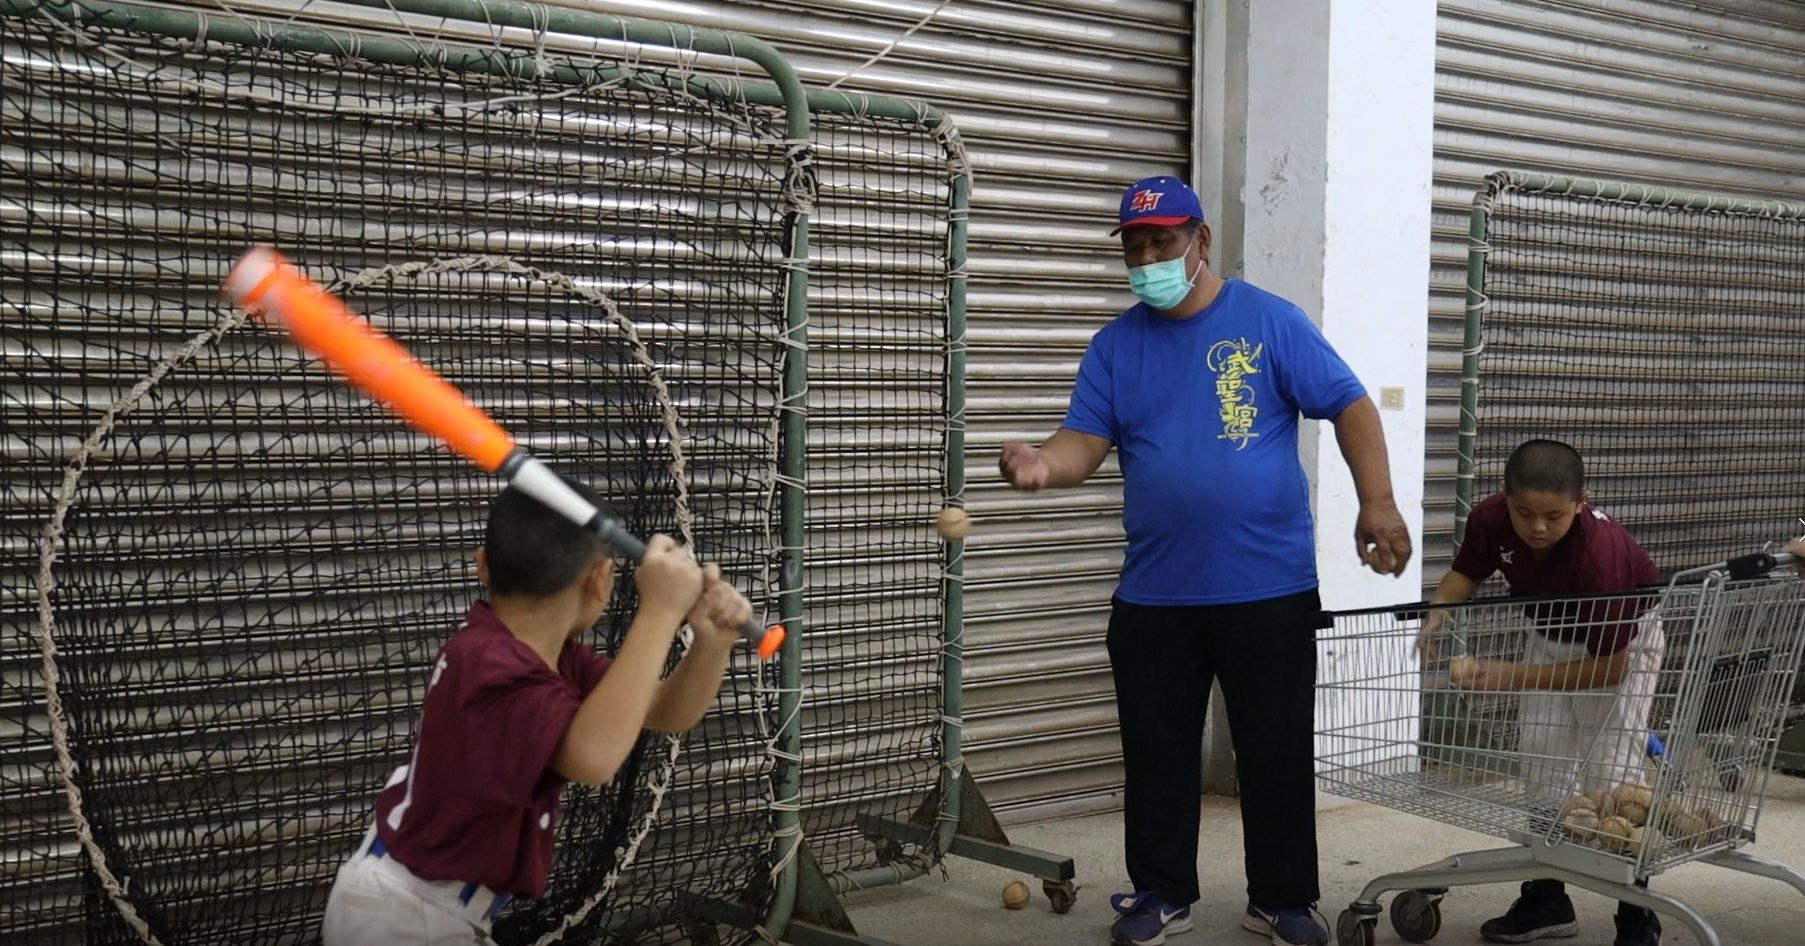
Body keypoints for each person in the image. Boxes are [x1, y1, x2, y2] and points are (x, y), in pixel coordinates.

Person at [999, 176, 1411, 946]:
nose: (1148, 257)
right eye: (1134, 246)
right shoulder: (1115, 346)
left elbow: (1350, 405)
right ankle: (1159, 893)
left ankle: (1283, 900)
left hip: (1267, 585)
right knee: (1156, 752)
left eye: (1162, 242)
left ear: (1200, 241)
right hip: (1155, 593)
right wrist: (1039, 466)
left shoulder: (1267, 322)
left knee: (1274, 751)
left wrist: (1377, 502)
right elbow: (1081, 443)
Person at [321, 482, 751, 946]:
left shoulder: (545, 655)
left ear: (482, 563)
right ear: (600, 579)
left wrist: (711, 644)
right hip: (403, 918)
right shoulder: (492, 666)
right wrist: (660, 612)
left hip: (423, 909)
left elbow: (663, 709)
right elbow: (595, 757)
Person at [1417, 440, 1665, 946]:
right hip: (1547, 635)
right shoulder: (1490, 519)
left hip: (1619, 645)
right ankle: (1547, 899)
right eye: (1524, 512)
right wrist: (1439, 608)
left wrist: (1509, 677)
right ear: (1504, 497)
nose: (1537, 528)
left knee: (1614, 776)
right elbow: (1467, 571)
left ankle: (1636, 910)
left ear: (1581, 503)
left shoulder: (1600, 556)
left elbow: (1608, 668)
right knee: (1545, 761)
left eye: (1554, 516)